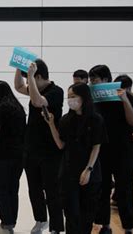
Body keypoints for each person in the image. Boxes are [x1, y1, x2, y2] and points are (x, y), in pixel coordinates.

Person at [44, 82, 106, 234]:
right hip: (68, 173)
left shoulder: (96, 119)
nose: (70, 100)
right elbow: (60, 145)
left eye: (73, 96)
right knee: (71, 214)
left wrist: (88, 169)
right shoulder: (66, 120)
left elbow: (96, 146)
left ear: (83, 97)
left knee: (87, 215)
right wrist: (51, 124)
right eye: (68, 97)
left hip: (90, 173)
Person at [14, 59, 64, 234]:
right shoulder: (35, 87)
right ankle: (40, 220)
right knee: (34, 189)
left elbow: (37, 101)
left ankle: (56, 227)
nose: (28, 83)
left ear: (40, 77)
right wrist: (19, 70)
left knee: (52, 191)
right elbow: (19, 87)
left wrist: (30, 77)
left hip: (50, 150)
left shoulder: (56, 91)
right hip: (31, 148)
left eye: (31, 80)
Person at [90, 65, 133, 234]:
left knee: (124, 189)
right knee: (102, 188)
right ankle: (105, 225)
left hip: (123, 151)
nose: (93, 83)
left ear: (106, 80)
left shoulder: (125, 96)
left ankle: (128, 227)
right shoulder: (94, 99)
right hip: (102, 150)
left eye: (95, 80)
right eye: (91, 80)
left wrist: (124, 99)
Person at [0, 81, 26, 234]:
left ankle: (5, 224)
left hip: (5, 155)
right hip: (19, 155)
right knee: (12, 189)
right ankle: (11, 224)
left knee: (2, 190)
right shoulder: (18, 108)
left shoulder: (1, 108)